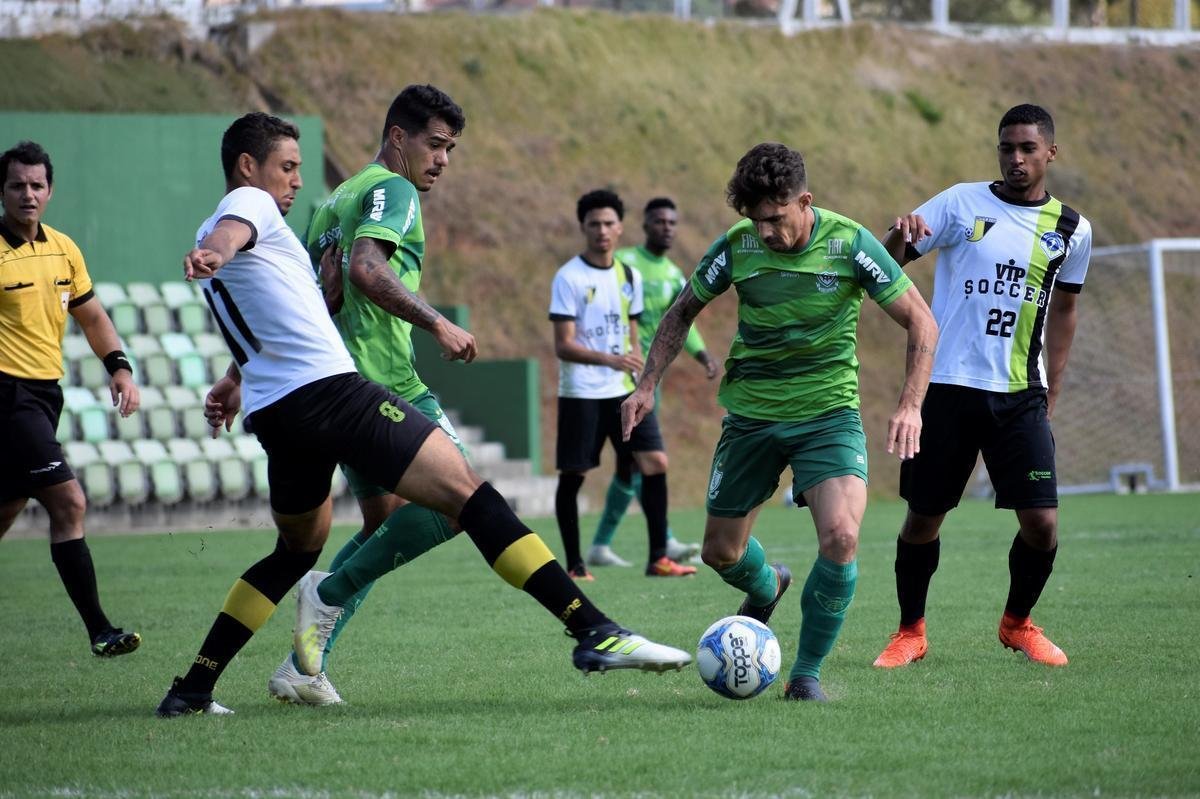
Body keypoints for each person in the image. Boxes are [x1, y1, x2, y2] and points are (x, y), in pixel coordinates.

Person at [156, 112, 691, 717]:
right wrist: (212, 251)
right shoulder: (251, 204)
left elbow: (306, 306)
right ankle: (593, 630)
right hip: (335, 394)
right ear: (249, 168)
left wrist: (231, 380)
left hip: (276, 413)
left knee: (296, 550)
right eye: (287, 167)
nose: (297, 181)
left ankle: (193, 688)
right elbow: (246, 237)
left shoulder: (312, 214)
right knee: (471, 495)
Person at [621, 142, 938, 701]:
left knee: (841, 536)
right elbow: (680, 313)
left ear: (804, 201)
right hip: (752, 415)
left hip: (827, 414)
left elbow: (921, 321)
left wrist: (910, 403)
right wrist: (647, 385)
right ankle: (768, 586)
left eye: (774, 218)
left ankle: (806, 674)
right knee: (720, 552)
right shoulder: (737, 247)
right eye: (754, 219)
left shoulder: (848, 242)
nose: (764, 232)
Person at [265, 84, 479, 706]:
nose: (441, 160)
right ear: (397, 138)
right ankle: (325, 594)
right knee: (458, 503)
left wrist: (234, 376)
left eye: (450, 149)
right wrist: (437, 321)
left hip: (336, 384)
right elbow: (365, 269)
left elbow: (312, 300)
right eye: (434, 145)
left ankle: (304, 665)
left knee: (385, 520)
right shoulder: (395, 190)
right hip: (385, 385)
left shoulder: (335, 199)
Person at [872, 104, 1092, 669]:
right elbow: (883, 268)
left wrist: (1053, 387)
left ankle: (1018, 623)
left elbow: (1065, 310)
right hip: (946, 386)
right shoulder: (959, 203)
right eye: (1005, 148)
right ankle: (910, 632)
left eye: (1026, 148)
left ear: (1050, 153)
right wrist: (899, 235)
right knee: (924, 517)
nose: (1015, 158)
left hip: (1021, 393)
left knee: (1042, 523)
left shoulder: (1072, 229)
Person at [0, 140, 142, 658]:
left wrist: (120, 368)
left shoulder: (63, 248)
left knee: (6, 509)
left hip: (43, 395)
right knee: (69, 501)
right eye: (18, 185)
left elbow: (93, 317)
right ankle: (100, 629)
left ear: (51, 190)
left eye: (37, 185)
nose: (28, 194)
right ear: (3, 190)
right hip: (7, 395)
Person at [550, 189, 697, 581]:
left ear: (620, 228)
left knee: (654, 463)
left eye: (609, 223)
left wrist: (638, 375)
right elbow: (563, 345)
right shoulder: (569, 277)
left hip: (623, 392)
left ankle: (658, 558)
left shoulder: (627, 276)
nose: (602, 231)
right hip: (582, 392)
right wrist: (611, 359)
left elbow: (631, 335)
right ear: (583, 227)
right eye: (594, 224)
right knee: (574, 475)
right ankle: (575, 564)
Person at [586, 197, 716, 569]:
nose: (667, 227)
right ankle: (664, 539)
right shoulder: (624, 262)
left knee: (630, 464)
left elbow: (682, 321)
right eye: (659, 221)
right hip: (619, 377)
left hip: (648, 379)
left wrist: (704, 356)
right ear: (644, 225)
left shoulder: (674, 274)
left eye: (672, 222)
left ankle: (601, 545)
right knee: (645, 460)